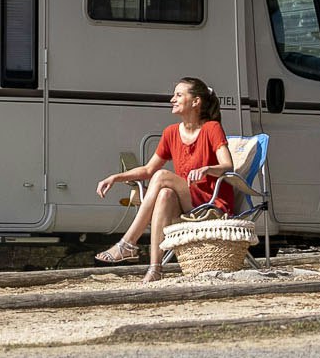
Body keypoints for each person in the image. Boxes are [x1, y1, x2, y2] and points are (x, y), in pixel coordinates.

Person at [93, 77, 235, 281]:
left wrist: (208, 169)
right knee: (165, 194)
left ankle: (128, 243)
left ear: (196, 102)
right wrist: (115, 177)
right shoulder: (170, 133)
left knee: (162, 176)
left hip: (210, 202)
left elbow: (228, 166)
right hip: (187, 200)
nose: (172, 99)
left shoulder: (212, 128)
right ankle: (155, 269)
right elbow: (148, 169)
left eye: (178, 95)